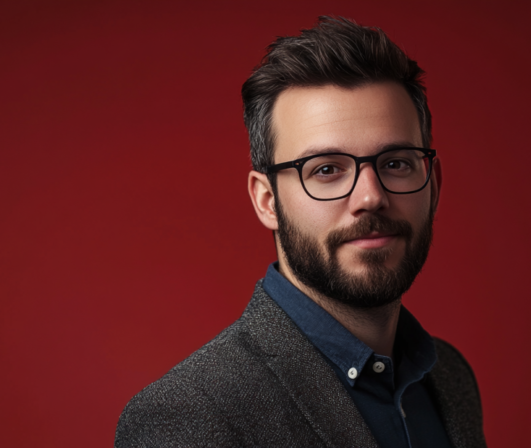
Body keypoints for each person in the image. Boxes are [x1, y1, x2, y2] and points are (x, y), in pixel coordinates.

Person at [115, 16, 486, 448]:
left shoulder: (450, 379)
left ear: (434, 184)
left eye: (396, 163)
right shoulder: (188, 417)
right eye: (326, 170)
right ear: (267, 201)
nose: (370, 196)